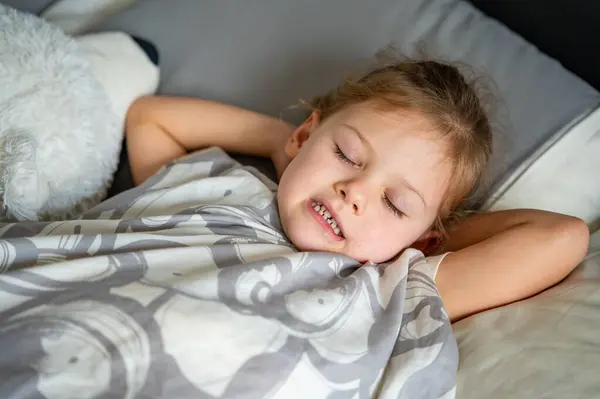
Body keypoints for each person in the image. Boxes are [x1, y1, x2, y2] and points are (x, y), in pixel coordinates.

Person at [123, 59, 589, 322]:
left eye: (394, 203)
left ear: (422, 239)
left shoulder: (390, 290)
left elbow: (562, 235)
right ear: (306, 136)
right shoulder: (220, 189)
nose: (355, 191)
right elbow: (151, 116)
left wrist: (409, 244)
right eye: (345, 155)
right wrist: (281, 145)